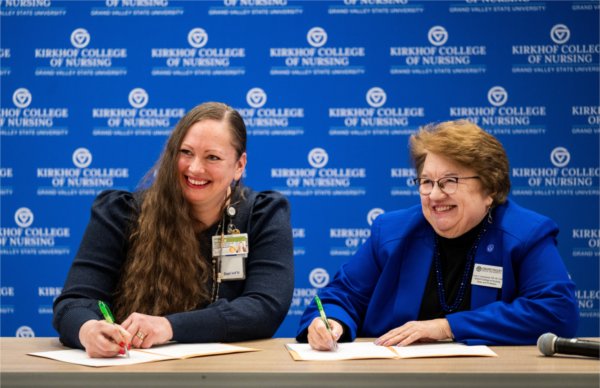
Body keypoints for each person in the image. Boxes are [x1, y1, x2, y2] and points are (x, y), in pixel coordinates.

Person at [297, 119, 578, 350]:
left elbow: (556, 312)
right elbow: (339, 297)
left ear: (490, 188)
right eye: (426, 182)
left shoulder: (525, 233)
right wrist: (331, 322)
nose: (434, 195)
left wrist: (447, 327)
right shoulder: (392, 232)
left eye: (449, 182)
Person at [53, 102, 294, 358]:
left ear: (239, 165)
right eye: (186, 152)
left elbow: (264, 308)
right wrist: (88, 330)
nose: (194, 168)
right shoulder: (120, 212)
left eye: (212, 157)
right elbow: (73, 302)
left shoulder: (262, 214)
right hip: (133, 370)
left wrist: (168, 327)